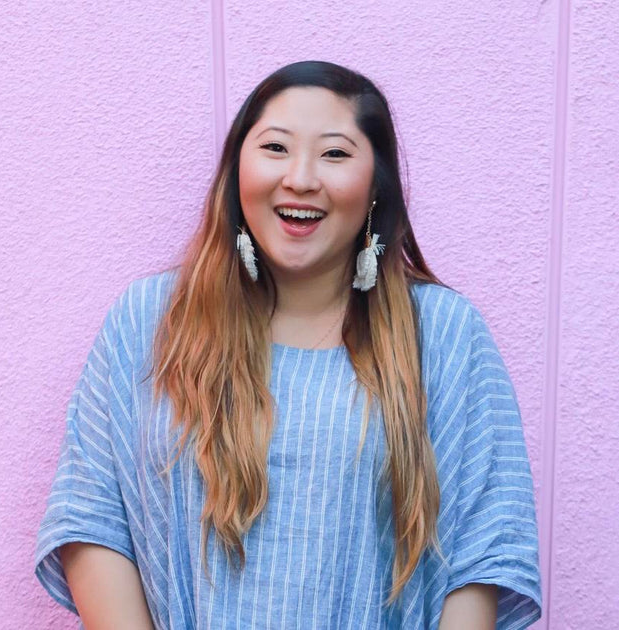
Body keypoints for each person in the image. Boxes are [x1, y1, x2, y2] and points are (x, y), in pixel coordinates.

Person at [34, 60, 542, 629]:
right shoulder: (150, 320)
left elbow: (484, 548)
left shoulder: (445, 334)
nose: (300, 178)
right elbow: (91, 519)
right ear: (237, 171)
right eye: (275, 147)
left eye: (335, 154)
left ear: (376, 185)